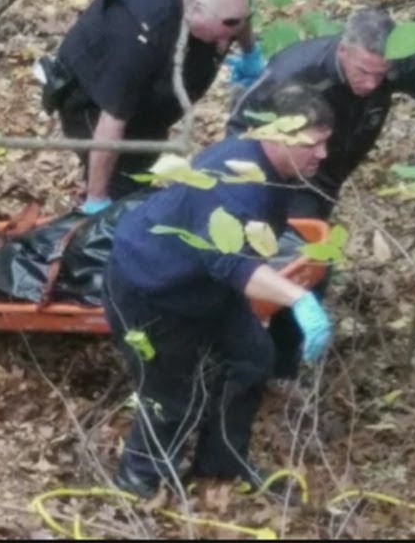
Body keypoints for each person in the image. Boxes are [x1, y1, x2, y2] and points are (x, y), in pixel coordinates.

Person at [104, 83, 337, 499]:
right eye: (313, 144)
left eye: (325, 143)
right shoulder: (236, 181)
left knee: (253, 357)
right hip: (151, 291)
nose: (322, 154)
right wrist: (300, 299)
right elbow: (229, 263)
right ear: (275, 136)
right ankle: (137, 481)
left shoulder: (271, 169)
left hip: (205, 287)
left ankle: (221, 462)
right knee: (170, 392)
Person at [225, 7, 415, 381]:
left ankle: (279, 359)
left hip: (329, 176)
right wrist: (256, 188)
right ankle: (270, 367)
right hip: (283, 174)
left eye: (382, 74)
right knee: (306, 265)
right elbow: (238, 127)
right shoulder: (297, 72)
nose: (373, 84)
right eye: (363, 72)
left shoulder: (396, 62)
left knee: (309, 266)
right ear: (344, 51)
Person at [37, 0, 266, 213]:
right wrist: (97, 198)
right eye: (218, 38)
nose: (224, 46)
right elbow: (112, 121)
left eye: (230, 37)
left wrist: (250, 53)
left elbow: (239, 16)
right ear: (193, 11)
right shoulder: (135, 35)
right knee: (121, 191)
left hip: (152, 102)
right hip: (94, 99)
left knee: (141, 169)